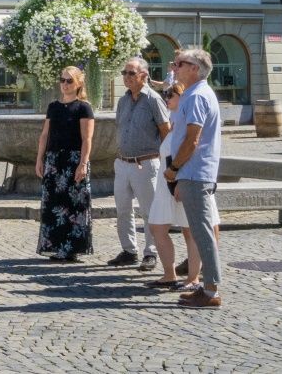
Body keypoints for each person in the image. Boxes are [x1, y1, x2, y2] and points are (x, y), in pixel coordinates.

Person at [165, 47, 225, 308]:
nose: (175, 67)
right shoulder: (194, 93)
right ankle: (207, 286)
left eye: (181, 63)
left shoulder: (197, 95)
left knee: (202, 232)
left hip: (194, 171)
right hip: (194, 171)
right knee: (200, 230)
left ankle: (211, 290)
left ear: (195, 69)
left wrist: (175, 168)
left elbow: (193, 138)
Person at [108, 56, 170, 268]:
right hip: (123, 162)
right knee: (123, 209)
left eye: (131, 73)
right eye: (124, 73)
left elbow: (165, 131)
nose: (126, 77)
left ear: (144, 76)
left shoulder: (153, 99)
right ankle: (128, 250)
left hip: (146, 163)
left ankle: (150, 252)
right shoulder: (123, 100)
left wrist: (166, 162)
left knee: (149, 210)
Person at [34, 65, 95, 260]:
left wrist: (83, 163)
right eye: (62, 80)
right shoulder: (53, 107)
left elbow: (87, 139)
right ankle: (57, 246)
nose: (65, 84)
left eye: (69, 81)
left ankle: (72, 248)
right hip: (54, 160)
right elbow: (45, 135)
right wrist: (39, 159)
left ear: (78, 83)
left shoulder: (83, 107)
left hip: (73, 160)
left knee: (74, 204)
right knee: (54, 204)